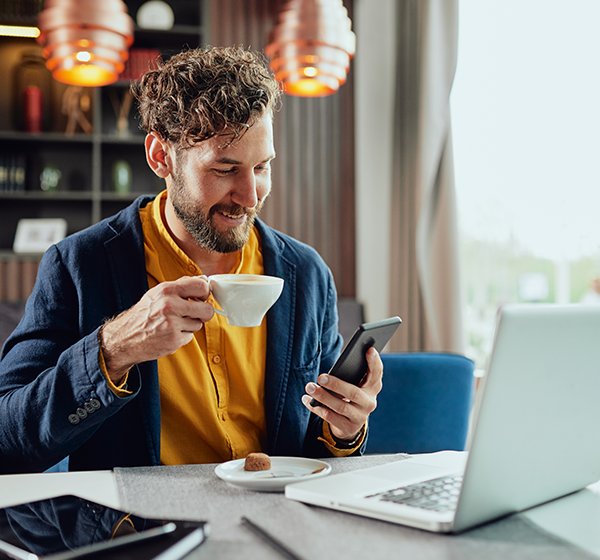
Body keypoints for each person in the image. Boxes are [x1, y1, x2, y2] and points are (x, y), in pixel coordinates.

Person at [0, 46, 383, 474]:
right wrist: (115, 348)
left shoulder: (307, 274)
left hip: (276, 520)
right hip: (143, 528)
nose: (251, 197)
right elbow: (9, 438)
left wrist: (345, 430)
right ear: (161, 157)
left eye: (262, 167)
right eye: (224, 169)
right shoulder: (78, 265)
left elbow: (315, 448)